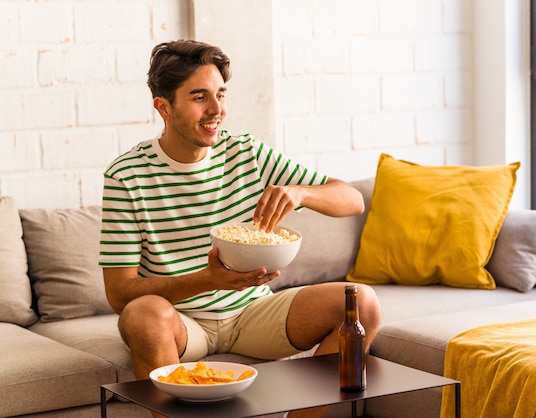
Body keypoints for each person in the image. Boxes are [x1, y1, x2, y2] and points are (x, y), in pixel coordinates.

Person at [99, 39, 382, 418]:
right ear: (164, 108)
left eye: (220, 94)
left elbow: (351, 199)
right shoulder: (127, 176)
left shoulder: (245, 152)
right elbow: (120, 295)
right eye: (200, 97)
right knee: (142, 315)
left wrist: (300, 193)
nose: (217, 110)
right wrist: (209, 279)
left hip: (252, 313)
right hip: (182, 321)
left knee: (361, 303)